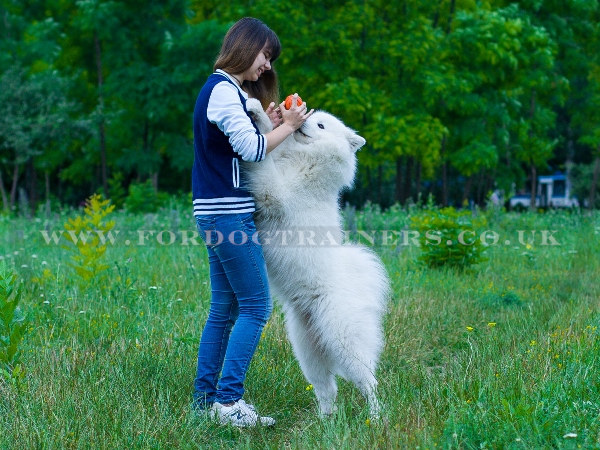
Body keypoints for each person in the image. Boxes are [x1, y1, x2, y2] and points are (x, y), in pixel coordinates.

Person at [191, 17, 313, 427]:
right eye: (266, 56)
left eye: (271, 60)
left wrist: (274, 124)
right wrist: (291, 128)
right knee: (257, 307)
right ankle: (229, 402)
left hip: (214, 211)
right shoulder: (223, 93)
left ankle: (205, 403)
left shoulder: (226, 92)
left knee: (224, 307)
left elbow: (245, 143)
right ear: (246, 47)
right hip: (227, 214)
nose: (267, 67)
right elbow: (254, 150)